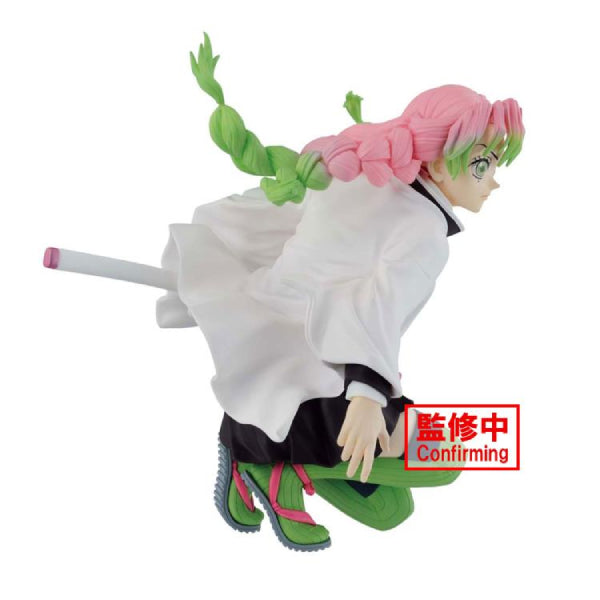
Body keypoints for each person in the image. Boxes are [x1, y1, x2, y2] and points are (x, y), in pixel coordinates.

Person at [153, 35, 525, 551]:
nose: (493, 181)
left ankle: (257, 462)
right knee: (446, 456)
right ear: (440, 162)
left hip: (268, 362)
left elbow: (276, 216)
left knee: (391, 510)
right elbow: (375, 304)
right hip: (326, 388)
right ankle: (273, 468)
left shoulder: (359, 177)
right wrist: (368, 396)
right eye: (482, 164)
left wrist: (212, 273)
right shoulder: (423, 231)